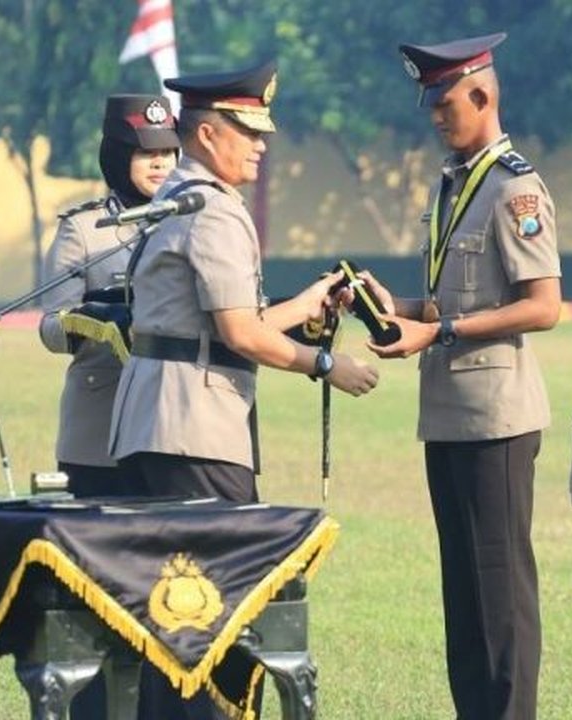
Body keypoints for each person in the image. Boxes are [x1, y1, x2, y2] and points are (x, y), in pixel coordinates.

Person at [361, 32, 561, 720]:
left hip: (495, 418)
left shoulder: (514, 190)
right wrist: (396, 308)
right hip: (448, 412)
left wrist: (437, 330)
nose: (436, 116)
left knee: (499, 593)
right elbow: (453, 302)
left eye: (445, 102)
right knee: (464, 595)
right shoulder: (454, 184)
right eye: (430, 104)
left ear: (483, 95)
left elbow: (543, 306)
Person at [110, 59, 378, 507]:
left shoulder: (177, 195)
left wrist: (306, 304)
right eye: (249, 133)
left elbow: (218, 323)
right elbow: (239, 334)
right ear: (208, 135)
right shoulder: (213, 208)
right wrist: (327, 365)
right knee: (216, 572)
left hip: (157, 421)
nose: (261, 146)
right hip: (194, 431)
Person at [39, 94, 178, 499]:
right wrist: (96, 319)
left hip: (173, 422)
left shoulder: (192, 220)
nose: (160, 164)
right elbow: (51, 326)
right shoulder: (83, 229)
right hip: (101, 424)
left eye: (169, 152)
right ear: (117, 156)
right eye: (146, 153)